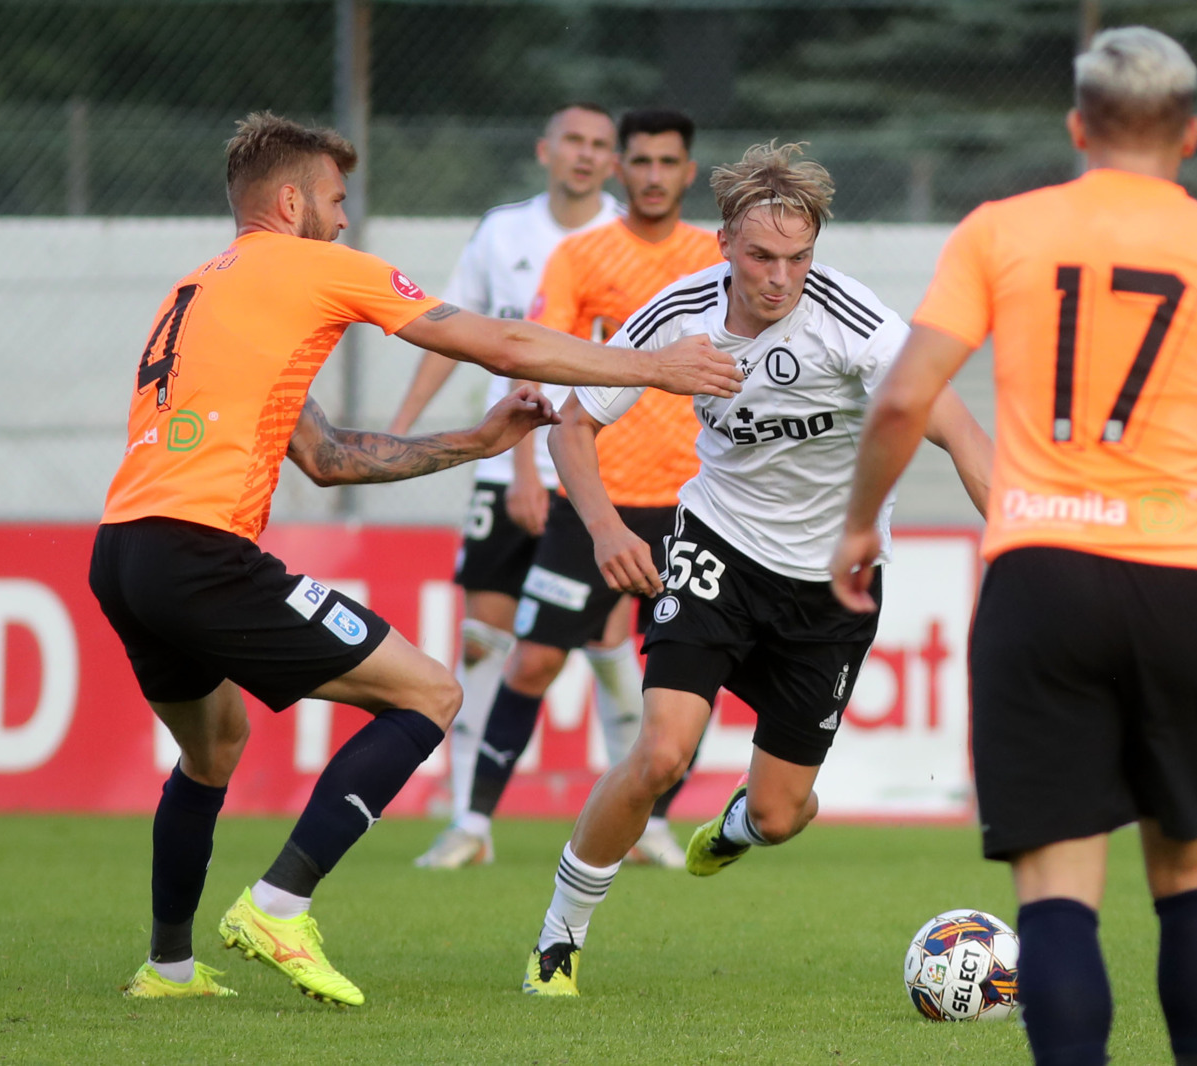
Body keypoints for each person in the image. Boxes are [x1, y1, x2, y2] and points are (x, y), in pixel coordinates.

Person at [88, 111, 741, 1006]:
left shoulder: (201, 290)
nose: (346, 220)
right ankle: (279, 904)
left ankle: (165, 970)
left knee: (214, 749)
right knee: (430, 692)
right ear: (290, 202)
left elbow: (327, 456)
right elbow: (502, 342)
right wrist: (652, 368)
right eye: (335, 199)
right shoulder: (314, 266)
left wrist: (477, 441)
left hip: (123, 554)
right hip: (201, 553)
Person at [829, 27, 1197, 1066]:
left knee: (1054, 889)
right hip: (1184, 578)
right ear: (1190, 134)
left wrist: (859, 522)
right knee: (1191, 873)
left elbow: (905, 395)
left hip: (1039, 574)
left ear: (1077, 126)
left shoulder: (1001, 231)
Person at [521, 141, 992, 995]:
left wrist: (1024, 539)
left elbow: (958, 429)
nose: (781, 278)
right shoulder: (679, 313)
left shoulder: (853, 322)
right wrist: (600, 529)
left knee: (782, 814)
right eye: (762, 257)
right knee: (662, 751)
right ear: (725, 247)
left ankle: (738, 826)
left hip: (834, 583)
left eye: (800, 258)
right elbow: (572, 423)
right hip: (716, 549)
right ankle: (560, 938)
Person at [418, 108, 723, 871]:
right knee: (532, 662)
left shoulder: (719, 263)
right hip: (596, 502)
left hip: (700, 506)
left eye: (668, 162)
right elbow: (540, 360)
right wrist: (526, 466)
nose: (653, 174)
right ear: (624, 169)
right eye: (642, 160)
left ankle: (649, 821)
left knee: (688, 673)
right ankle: (472, 822)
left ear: (689, 173)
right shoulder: (583, 257)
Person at [386, 104, 625, 866]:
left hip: (597, 475)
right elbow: (448, 328)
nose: (584, 157)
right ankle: (469, 823)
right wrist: (402, 427)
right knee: (487, 642)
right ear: (544, 150)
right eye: (573, 143)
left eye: (599, 146)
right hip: (506, 468)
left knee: (608, 640)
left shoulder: (626, 241)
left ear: (613, 162)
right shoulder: (502, 233)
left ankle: (641, 821)